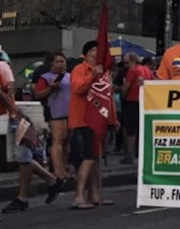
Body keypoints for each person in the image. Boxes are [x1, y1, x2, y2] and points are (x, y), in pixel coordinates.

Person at [0, 55, 66, 213]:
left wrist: (13, 110)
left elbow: (7, 91)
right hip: (9, 115)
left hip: (9, 117)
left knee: (23, 157)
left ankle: (26, 196)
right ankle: (48, 182)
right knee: (23, 159)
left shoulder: (2, 67)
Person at [68, 41, 114, 210]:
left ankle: (94, 194)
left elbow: (107, 96)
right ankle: (79, 196)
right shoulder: (80, 69)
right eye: (95, 50)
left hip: (100, 118)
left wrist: (112, 119)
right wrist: (92, 75)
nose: (99, 53)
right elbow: (77, 88)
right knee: (88, 157)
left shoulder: (104, 72)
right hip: (84, 119)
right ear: (87, 53)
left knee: (95, 158)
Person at [33, 52, 71, 181]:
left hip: (70, 112)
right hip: (55, 111)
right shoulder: (45, 77)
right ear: (51, 63)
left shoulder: (70, 76)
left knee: (66, 141)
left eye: (62, 61)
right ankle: (57, 171)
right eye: (57, 61)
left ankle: (64, 168)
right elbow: (38, 94)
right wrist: (51, 88)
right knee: (57, 141)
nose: (60, 64)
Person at [119, 53, 153, 165]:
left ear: (132, 61)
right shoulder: (147, 70)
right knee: (142, 128)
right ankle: (141, 152)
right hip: (145, 102)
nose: (126, 65)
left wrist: (120, 89)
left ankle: (130, 154)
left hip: (132, 101)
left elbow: (126, 87)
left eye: (127, 63)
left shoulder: (132, 71)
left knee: (130, 129)